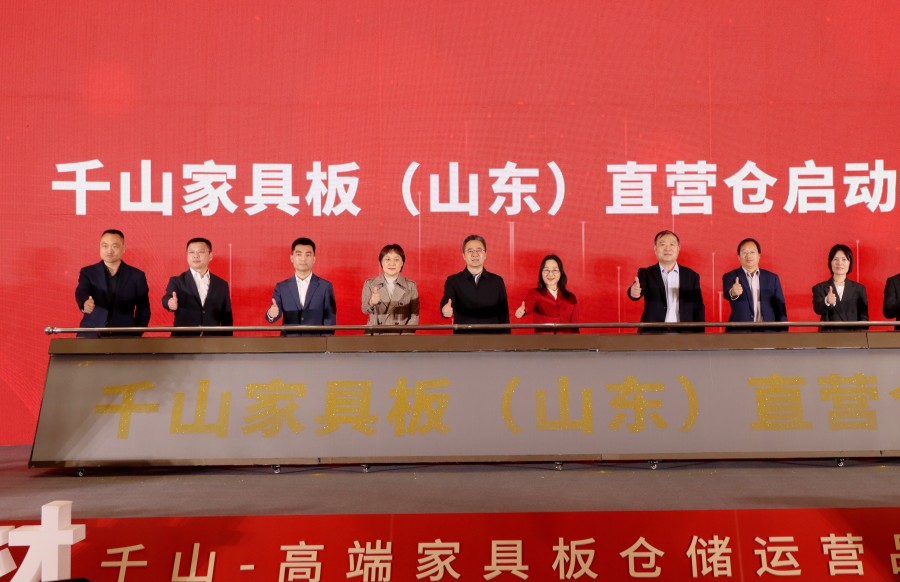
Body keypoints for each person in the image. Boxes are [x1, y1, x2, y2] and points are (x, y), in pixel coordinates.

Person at [74, 229, 151, 338]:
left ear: (123, 248)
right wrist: (84, 302)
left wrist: (135, 334)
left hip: (124, 337)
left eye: (114, 246)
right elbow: (82, 290)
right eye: (105, 246)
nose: (109, 251)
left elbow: (143, 309)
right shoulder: (88, 272)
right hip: (91, 335)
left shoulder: (137, 276)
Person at [626, 230, 704, 332]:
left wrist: (700, 335)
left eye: (672, 244)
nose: (668, 248)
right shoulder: (646, 273)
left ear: (678, 248)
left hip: (684, 333)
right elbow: (637, 290)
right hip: (653, 334)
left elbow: (698, 308)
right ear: (655, 249)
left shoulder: (691, 276)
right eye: (662, 244)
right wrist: (633, 292)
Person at [161, 237, 233, 336]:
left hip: (213, 340)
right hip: (184, 340)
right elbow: (167, 297)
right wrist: (170, 303)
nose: (195, 256)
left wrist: (228, 341)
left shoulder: (221, 284)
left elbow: (227, 317)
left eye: (200, 252)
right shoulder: (177, 281)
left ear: (210, 256)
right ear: (187, 256)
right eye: (191, 252)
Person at [265, 237, 337, 336]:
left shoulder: (325, 286)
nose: (303, 259)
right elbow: (273, 315)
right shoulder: (282, 287)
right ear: (292, 258)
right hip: (288, 341)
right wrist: (271, 314)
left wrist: (325, 342)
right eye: (299, 254)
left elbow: (330, 319)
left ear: (314, 259)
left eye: (308, 255)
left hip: (316, 342)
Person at [440, 234, 510, 334]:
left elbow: (504, 315)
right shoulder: (454, 280)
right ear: (463, 255)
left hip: (493, 339)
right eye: (470, 251)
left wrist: (506, 339)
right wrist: (444, 309)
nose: (475, 254)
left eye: (478, 250)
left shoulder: (497, 281)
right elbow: (447, 299)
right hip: (464, 339)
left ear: (485, 254)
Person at [721, 238, 788, 332]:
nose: (748, 256)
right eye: (744, 252)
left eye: (752, 252)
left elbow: (780, 308)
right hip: (740, 333)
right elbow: (727, 293)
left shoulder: (772, 278)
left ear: (759, 255)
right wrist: (733, 292)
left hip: (768, 332)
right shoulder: (731, 276)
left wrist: (783, 333)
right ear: (738, 257)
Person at [360, 244, 420, 333]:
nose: (392, 263)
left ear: (402, 263)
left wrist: (405, 336)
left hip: (400, 336)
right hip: (375, 336)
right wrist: (371, 302)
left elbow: (414, 317)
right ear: (381, 262)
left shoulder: (410, 286)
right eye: (387, 259)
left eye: (396, 259)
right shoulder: (370, 283)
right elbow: (365, 310)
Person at [514, 254, 579, 333]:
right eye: (546, 270)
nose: (550, 274)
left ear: (561, 273)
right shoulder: (535, 294)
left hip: (566, 340)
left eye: (555, 270)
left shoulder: (570, 297)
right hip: (543, 340)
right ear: (541, 273)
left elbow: (575, 328)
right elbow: (528, 305)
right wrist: (522, 310)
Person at [812, 244, 869, 331]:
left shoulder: (859, 289)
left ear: (850, 263)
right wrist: (827, 301)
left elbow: (864, 318)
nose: (840, 263)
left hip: (853, 337)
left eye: (844, 259)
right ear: (830, 262)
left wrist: (858, 336)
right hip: (828, 337)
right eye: (835, 259)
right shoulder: (819, 288)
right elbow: (817, 309)